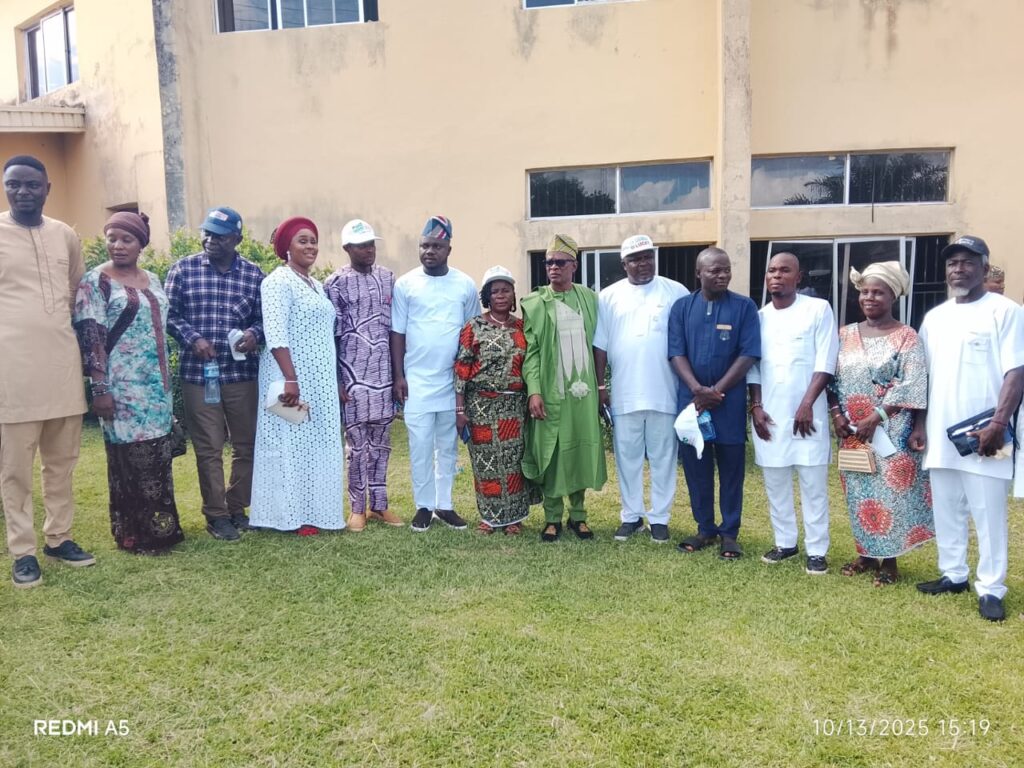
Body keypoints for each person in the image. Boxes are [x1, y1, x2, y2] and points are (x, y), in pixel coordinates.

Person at [910, 236, 1024, 622]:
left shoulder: (1006, 311)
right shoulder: (935, 317)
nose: (958, 269)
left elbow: (1016, 373)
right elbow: (922, 376)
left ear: (984, 268)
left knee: (988, 512)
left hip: (988, 433)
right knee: (946, 507)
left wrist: (998, 424)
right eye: (952, 263)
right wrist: (920, 424)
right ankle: (953, 573)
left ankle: (991, 587)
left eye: (968, 262)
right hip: (941, 431)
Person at [1, 155, 95, 588]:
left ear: (47, 189)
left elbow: (75, 289)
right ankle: (23, 551)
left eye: (31, 185)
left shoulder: (64, 235)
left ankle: (60, 538)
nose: (22, 192)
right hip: (12, 370)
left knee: (61, 462)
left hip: (61, 365)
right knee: (15, 469)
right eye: (13, 184)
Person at [73, 212, 184, 555]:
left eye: (126, 239)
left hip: (157, 387)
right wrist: (100, 388)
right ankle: (135, 534)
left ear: (141, 244)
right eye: (112, 238)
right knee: (131, 461)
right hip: (121, 388)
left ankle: (163, 529)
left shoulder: (153, 279)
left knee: (158, 458)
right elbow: (91, 335)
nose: (118, 246)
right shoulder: (97, 281)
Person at [827, 262, 933, 587]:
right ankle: (866, 554)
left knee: (890, 494)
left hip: (892, 431)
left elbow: (913, 383)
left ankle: (890, 561)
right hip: (853, 432)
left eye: (878, 292)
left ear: (893, 297)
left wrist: (876, 417)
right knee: (860, 492)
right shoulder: (844, 334)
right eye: (865, 292)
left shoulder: (907, 337)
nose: (869, 298)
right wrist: (837, 415)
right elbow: (830, 379)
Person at [165, 206, 263, 542]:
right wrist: (193, 339)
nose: (210, 240)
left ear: (237, 239)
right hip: (198, 375)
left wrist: (254, 334)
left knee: (246, 445)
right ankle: (216, 515)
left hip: (241, 375)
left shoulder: (253, 275)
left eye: (220, 236)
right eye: (207, 233)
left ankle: (236, 507)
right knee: (209, 448)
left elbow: (265, 319)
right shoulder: (183, 269)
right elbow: (169, 314)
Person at [250, 217, 344, 534]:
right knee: (290, 443)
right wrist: (291, 379)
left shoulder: (316, 285)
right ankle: (291, 516)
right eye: (302, 241)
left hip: (319, 380)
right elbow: (275, 334)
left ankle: (317, 511)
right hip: (290, 377)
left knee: (317, 444)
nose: (310, 246)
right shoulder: (277, 282)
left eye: (313, 241)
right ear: (286, 247)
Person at [593, 235, 689, 544]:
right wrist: (600, 385)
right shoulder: (608, 296)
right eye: (635, 259)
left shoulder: (676, 291)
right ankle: (631, 516)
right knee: (627, 458)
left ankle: (659, 518)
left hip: (666, 391)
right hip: (625, 392)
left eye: (648, 256)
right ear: (624, 264)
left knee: (663, 458)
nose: (643, 263)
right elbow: (600, 345)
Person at [748, 252, 839, 575]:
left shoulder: (818, 309)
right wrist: (756, 407)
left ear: (798, 277)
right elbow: (753, 367)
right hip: (770, 415)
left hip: (809, 416)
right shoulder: (759, 317)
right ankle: (785, 542)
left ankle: (817, 550)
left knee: (813, 486)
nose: (777, 275)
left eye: (785, 270)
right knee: (776, 482)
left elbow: (826, 360)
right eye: (772, 270)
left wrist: (807, 404)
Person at [667, 246, 760, 559]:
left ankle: (729, 533)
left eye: (727, 269)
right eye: (715, 270)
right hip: (692, 404)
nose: (723, 275)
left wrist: (716, 391)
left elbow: (749, 353)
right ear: (699, 273)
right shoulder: (682, 307)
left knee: (732, 470)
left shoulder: (744, 307)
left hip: (727, 404)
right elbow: (675, 352)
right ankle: (705, 528)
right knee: (697, 467)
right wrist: (697, 389)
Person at [391, 216, 479, 533]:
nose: (429, 251)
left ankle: (445, 504)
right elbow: (397, 332)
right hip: (416, 381)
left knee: (447, 447)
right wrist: (399, 375)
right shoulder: (405, 284)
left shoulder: (465, 284)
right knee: (420, 446)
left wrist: (467, 381)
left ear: (449, 249)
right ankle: (424, 506)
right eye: (424, 245)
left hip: (452, 383)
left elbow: (472, 333)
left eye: (436, 246)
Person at [521, 234, 607, 542]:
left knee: (581, 449)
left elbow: (600, 343)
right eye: (549, 263)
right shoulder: (535, 303)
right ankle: (552, 517)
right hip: (551, 392)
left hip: (583, 394)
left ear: (574, 266)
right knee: (554, 453)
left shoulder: (590, 298)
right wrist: (534, 391)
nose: (553, 268)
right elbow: (531, 353)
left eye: (560, 262)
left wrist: (601, 385)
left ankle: (579, 516)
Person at [325, 219, 401, 531]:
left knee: (381, 444)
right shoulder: (335, 283)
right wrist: (337, 380)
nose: (368, 250)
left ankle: (379, 505)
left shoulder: (388, 277)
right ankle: (357, 508)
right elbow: (331, 335)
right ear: (347, 248)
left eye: (371, 244)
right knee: (356, 446)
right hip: (352, 376)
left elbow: (395, 329)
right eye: (361, 245)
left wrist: (398, 375)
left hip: (384, 375)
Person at [455, 266, 535, 534]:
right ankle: (490, 517)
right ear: (487, 296)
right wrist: (460, 409)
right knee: (485, 462)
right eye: (495, 291)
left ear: (513, 295)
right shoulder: (473, 327)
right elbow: (462, 367)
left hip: (514, 406)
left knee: (513, 461)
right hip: (481, 405)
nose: (500, 295)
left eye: (506, 290)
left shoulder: (522, 327)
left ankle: (513, 518)